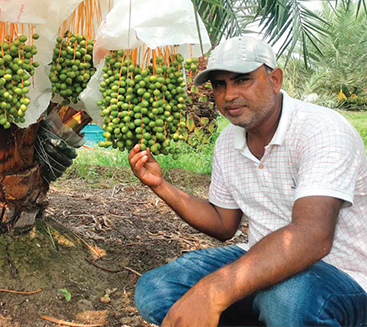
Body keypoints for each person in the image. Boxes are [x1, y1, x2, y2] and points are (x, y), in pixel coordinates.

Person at [130, 36, 367, 327]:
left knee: (287, 301)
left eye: (242, 80)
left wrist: (213, 291)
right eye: (220, 84)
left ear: (275, 79)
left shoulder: (322, 130)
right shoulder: (229, 141)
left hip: (342, 277)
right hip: (263, 262)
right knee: (156, 290)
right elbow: (222, 223)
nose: (228, 95)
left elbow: (312, 237)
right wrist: (161, 185)